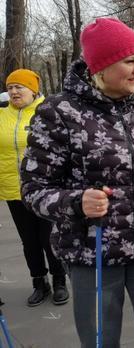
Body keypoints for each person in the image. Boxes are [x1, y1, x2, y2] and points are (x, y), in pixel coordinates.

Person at [19, 18, 134, 347]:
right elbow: (34, 189)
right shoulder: (59, 113)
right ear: (102, 67)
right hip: (92, 255)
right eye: (129, 61)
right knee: (100, 341)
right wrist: (77, 203)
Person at [0, 69, 69, 307]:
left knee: (49, 237)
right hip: (13, 190)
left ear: (33, 89)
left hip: (45, 190)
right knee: (28, 240)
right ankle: (39, 282)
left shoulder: (48, 112)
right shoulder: (1, 116)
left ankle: (59, 281)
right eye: (10, 88)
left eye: (19, 87)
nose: (14, 91)